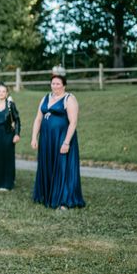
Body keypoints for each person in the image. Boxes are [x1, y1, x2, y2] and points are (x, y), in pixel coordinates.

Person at [31, 75, 85, 210]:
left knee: (62, 167)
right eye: (53, 83)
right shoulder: (45, 97)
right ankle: (46, 195)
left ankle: (64, 200)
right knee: (47, 164)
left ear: (64, 85)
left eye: (58, 83)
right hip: (46, 139)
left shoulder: (69, 99)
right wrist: (34, 137)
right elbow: (38, 119)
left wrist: (66, 142)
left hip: (61, 138)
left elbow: (73, 123)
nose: (55, 86)